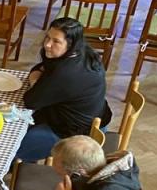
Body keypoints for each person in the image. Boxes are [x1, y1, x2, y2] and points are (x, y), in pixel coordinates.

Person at [15, 17, 112, 163]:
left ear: (70, 44)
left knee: (11, 143)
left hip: (75, 136)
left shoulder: (66, 73)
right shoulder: (83, 51)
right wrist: (39, 77)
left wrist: (35, 80)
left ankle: (17, 166)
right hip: (93, 118)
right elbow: (43, 67)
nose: (47, 45)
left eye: (56, 41)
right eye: (47, 37)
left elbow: (31, 101)